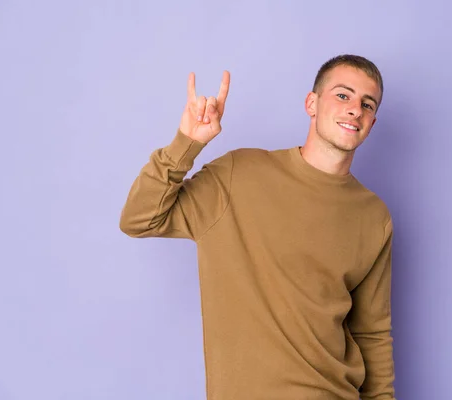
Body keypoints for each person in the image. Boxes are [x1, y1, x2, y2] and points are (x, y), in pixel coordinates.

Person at [119, 54, 395, 400]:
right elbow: (139, 218)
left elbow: (371, 332)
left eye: (367, 104)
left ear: (372, 121)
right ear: (312, 103)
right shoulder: (241, 174)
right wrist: (185, 144)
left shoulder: (373, 215)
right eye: (343, 95)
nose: (355, 109)